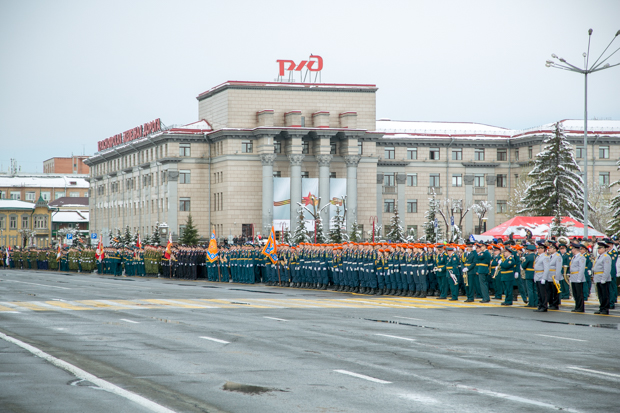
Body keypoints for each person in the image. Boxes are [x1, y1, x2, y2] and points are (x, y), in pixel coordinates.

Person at [592, 241, 611, 315]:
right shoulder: (598, 257)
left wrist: (604, 279)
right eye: (598, 248)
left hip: (603, 278)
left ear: (605, 249)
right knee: (600, 295)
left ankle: (605, 309)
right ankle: (601, 308)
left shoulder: (606, 257)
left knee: (604, 295)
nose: (598, 250)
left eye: (600, 248)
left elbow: (606, 269)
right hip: (598, 278)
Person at [533, 243, 551, 312]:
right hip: (537, 275)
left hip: (541, 275)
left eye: (540, 248)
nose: (539, 249)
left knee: (543, 293)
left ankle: (544, 306)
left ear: (544, 249)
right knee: (539, 293)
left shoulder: (545, 257)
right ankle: (540, 305)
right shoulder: (538, 257)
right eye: (538, 248)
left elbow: (546, 268)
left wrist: (544, 278)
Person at [569, 243, 586, 313]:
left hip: (578, 277)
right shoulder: (574, 257)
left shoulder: (581, 257)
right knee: (575, 294)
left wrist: (579, 278)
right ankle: (577, 306)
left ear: (575, 249)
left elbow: (581, 269)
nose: (571, 250)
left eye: (572, 249)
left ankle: (580, 307)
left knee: (579, 294)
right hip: (573, 277)